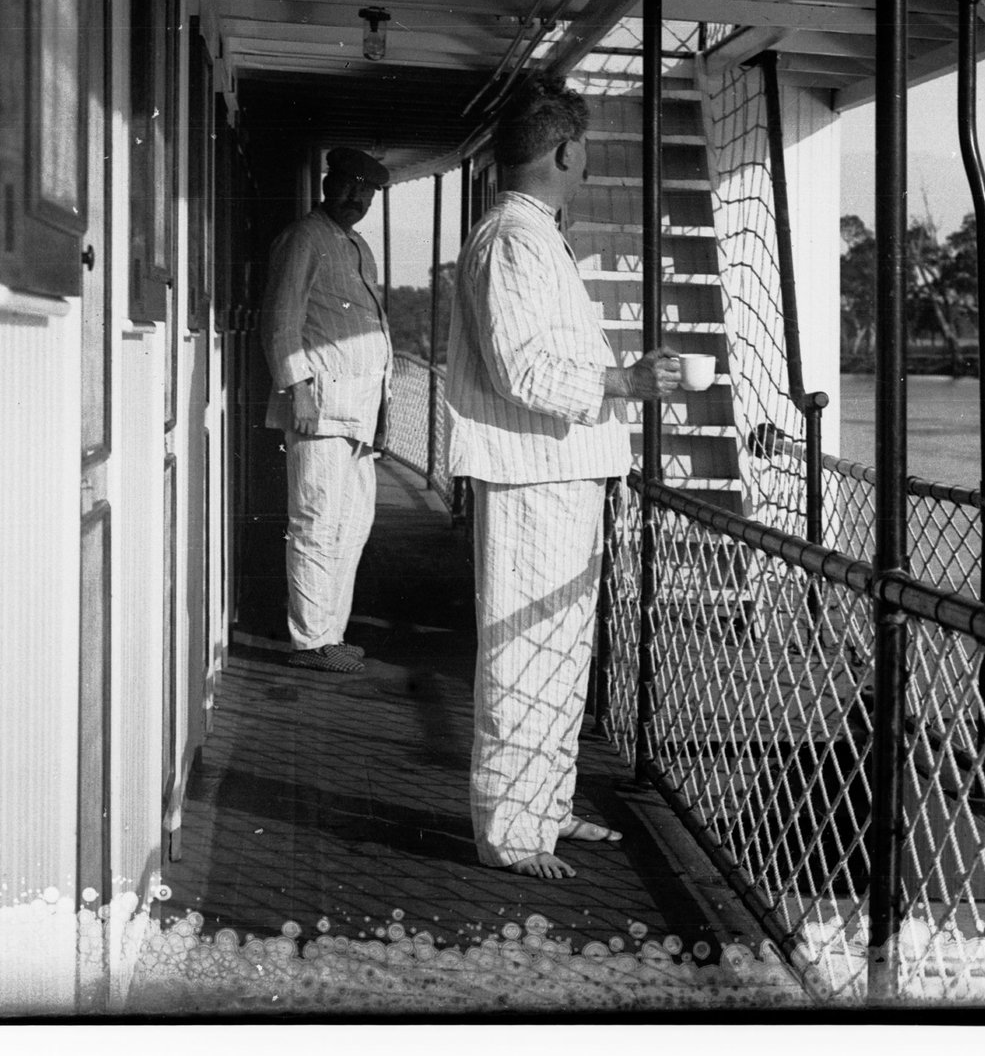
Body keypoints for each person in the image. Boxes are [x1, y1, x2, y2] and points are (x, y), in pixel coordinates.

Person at [445, 76, 682, 878]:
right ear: (565, 151)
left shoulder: (535, 233)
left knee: (560, 651)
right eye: (583, 149)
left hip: (562, 473)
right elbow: (522, 369)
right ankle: (511, 832)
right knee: (524, 652)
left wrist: (620, 380)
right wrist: (626, 385)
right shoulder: (513, 238)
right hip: (532, 478)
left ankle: (543, 805)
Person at [262, 146, 395, 674]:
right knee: (316, 523)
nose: (356, 197)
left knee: (351, 527)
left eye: (367, 191)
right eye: (348, 185)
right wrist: (295, 387)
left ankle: (331, 637)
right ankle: (310, 643)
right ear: (327, 182)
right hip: (319, 408)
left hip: (360, 412)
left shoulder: (356, 245)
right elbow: (280, 320)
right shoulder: (304, 238)